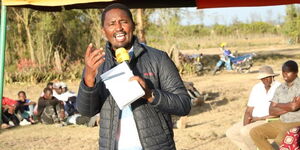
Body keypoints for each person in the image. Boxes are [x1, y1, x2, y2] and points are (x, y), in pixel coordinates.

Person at [76, 3, 191, 150]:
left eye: (124, 22)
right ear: (103, 31)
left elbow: (184, 105)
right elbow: (87, 112)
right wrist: (89, 79)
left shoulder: (158, 58)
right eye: (111, 24)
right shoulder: (96, 64)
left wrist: (150, 94)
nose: (118, 28)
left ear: (133, 25)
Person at [226, 65, 281, 150]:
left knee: (245, 132)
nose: (265, 80)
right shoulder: (257, 87)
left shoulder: (279, 88)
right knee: (231, 132)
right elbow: (249, 110)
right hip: (254, 120)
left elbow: (279, 113)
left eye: (267, 77)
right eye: (262, 78)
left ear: (272, 76)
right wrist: (246, 123)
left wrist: (258, 119)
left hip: (269, 120)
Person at [250, 60, 300, 150]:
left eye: (288, 72)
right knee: (255, 132)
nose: (285, 74)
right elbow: (271, 110)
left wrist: (278, 105)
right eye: (283, 72)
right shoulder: (280, 88)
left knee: (278, 142)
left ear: (296, 72)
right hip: (282, 121)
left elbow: (295, 106)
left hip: (296, 122)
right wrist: (289, 105)